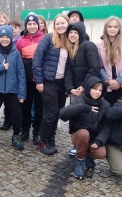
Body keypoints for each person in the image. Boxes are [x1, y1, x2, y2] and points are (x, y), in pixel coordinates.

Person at [0, 25, 26, 150]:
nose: (5, 39)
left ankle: (16, 135)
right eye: (2, 37)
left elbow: (21, 74)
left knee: (17, 114)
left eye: (7, 37)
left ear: (11, 38)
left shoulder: (16, 53)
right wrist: (1, 67)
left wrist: (22, 94)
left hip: (12, 90)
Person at [59, 77, 111, 180]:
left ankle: (88, 157)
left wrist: (99, 141)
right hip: (79, 135)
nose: (97, 92)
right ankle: (79, 160)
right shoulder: (79, 100)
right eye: (95, 89)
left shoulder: (105, 105)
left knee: (101, 152)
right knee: (84, 133)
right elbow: (63, 115)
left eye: (100, 90)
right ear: (88, 88)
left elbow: (107, 127)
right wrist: (82, 107)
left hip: (94, 138)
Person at [33, 14, 69, 155]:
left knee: (58, 112)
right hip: (48, 82)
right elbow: (37, 60)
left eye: (63, 23)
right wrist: (39, 80)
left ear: (67, 24)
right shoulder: (48, 38)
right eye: (57, 23)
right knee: (50, 113)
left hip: (62, 83)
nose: (60, 26)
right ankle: (43, 140)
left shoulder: (69, 40)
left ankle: (51, 138)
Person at [64, 21, 101, 157]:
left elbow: (94, 68)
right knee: (75, 117)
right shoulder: (70, 48)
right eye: (70, 33)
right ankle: (77, 144)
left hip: (87, 90)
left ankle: (89, 146)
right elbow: (67, 71)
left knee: (88, 118)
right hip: (75, 91)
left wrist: (84, 86)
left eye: (75, 32)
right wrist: (70, 88)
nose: (73, 35)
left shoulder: (88, 46)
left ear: (81, 33)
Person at [16, 12, 44, 144]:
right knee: (25, 106)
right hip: (26, 79)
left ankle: (37, 131)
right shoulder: (20, 41)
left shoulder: (45, 38)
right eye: (29, 24)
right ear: (26, 26)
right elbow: (17, 60)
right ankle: (25, 130)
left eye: (34, 24)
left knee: (39, 107)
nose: (32, 26)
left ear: (38, 25)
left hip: (40, 80)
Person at [97, 16, 122, 106]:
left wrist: (119, 81)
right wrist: (108, 80)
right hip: (108, 86)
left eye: (115, 27)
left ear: (119, 28)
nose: (112, 29)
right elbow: (98, 66)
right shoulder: (100, 44)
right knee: (109, 113)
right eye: (110, 26)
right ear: (105, 28)